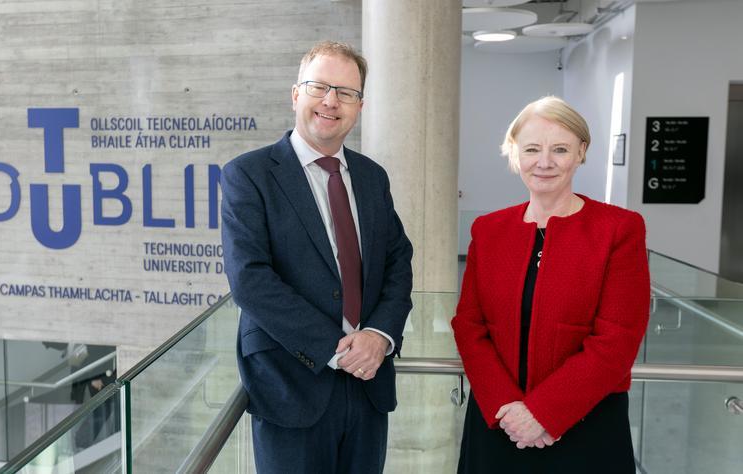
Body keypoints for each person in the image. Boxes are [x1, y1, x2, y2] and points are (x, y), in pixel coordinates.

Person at [221, 41, 413, 474]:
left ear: (359, 106)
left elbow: (399, 260)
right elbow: (250, 280)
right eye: (319, 87)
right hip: (290, 384)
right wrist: (336, 349)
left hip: (368, 384)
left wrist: (380, 335)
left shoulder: (371, 177)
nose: (331, 101)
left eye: (346, 92)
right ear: (295, 95)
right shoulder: (248, 175)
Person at [452, 96, 650, 473]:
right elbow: (470, 327)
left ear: (581, 152)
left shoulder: (619, 230)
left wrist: (544, 413)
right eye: (531, 149)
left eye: (560, 149)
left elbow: (617, 340)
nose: (544, 162)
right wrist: (508, 409)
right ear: (514, 154)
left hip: (586, 423)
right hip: (499, 422)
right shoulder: (489, 230)